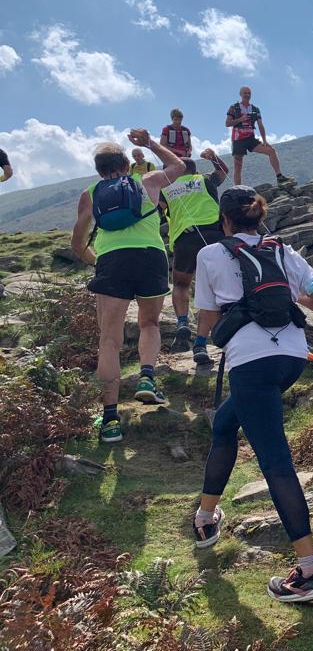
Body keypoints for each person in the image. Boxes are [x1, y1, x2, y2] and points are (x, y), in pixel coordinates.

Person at [191, 186, 313, 603]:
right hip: (291, 358)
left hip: (250, 363)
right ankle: (205, 517)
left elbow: (207, 315)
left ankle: (310, 571)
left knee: (275, 460)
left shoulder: (210, 255)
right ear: (259, 217)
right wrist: (293, 294)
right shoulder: (285, 252)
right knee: (224, 424)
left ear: (224, 220)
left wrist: (198, 343)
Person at [70, 130, 187, 443]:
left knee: (109, 339)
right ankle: (147, 379)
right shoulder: (147, 182)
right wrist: (149, 144)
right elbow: (179, 167)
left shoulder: (90, 194)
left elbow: (77, 244)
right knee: (149, 323)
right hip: (151, 258)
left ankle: (110, 420)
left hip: (111, 262)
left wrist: (99, 262)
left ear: (99, 170)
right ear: (125, 164)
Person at [160, 148, 230, 355]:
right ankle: (200, 343)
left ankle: (182, 322)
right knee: (211, 290)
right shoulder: (205, 180)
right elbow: (223, 172)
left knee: (181, 285)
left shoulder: (167, 189)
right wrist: (214, 158)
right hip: (215, 236)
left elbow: (155, 209)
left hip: (185, 239)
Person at [225, 86, 290, 186]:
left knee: (271, 151)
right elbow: (227, 123)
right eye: (245, 93)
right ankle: (237, 189)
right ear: (240, 94)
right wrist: (240, 119)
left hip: (250, 138)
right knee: (238, 165)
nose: (247, 95)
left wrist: (264, 140)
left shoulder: (255, 109)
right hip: (238, 139)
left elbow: (260, 125)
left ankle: (279, 176)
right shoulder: (234, 107)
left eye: (249, 93)